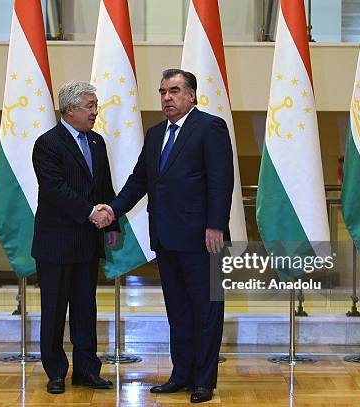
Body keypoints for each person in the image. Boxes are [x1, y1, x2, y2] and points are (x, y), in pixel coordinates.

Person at [96, 69, 234, 403]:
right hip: (167, 239)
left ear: (191, 95)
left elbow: (221, 180)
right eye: (162, 92)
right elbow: (139, 179)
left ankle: (204, 381)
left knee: (206, 312)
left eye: (174, 91)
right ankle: (181, 374)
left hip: (203, 239)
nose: (166, 98)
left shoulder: (210, 127)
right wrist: (114, 210)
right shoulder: (156, 133)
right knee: (178, 312)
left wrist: (215, 225)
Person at [32, 80, 118, 395]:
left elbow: (104, 186)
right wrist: (89, 212)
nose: (95, 112)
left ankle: (86, 371)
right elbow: (55, 190)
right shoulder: (47, 143)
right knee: (54, 311)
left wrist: (111, 225)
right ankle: (55, 372)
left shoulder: (96, 142)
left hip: (87, 241)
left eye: (95, 105)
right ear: (70, 110)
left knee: (85, 309)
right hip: (55, 243)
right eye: (90, 106)